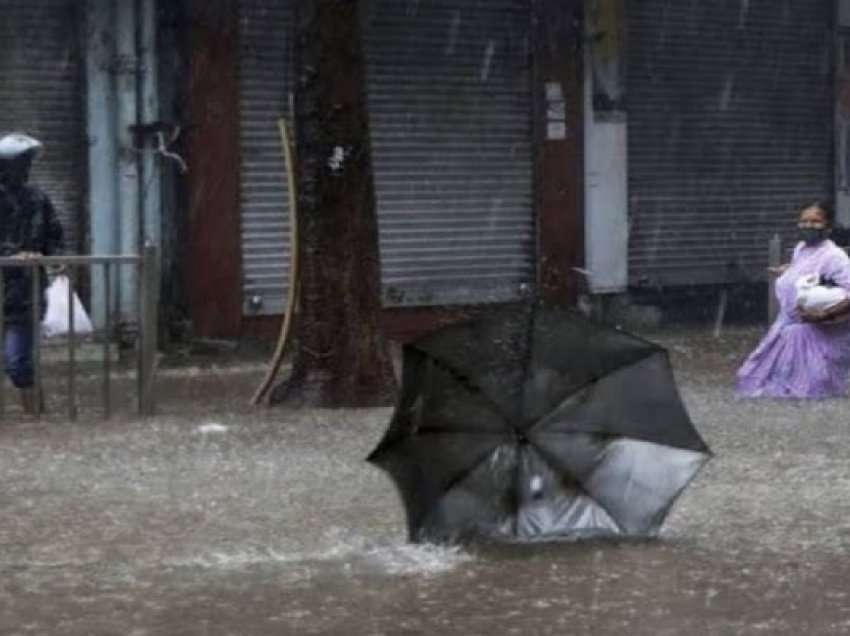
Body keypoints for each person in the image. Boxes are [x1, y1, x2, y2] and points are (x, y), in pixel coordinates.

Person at [736, 200, 850, 399]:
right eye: (804, 221)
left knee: (808, 390)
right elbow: (808, 270)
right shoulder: (801, 249)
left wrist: (823, 314)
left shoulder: (835, 257)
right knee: (754, 376)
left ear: (828, 227)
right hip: (786, 325)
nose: (808, 226)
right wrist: (788, 270)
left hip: (816, 332)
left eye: (815, 222)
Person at [0, 133, 64, 414]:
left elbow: (55, 238)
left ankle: (35, 414)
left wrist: (52, 259)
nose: (25, 169)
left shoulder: (38, 198)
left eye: (28, 163)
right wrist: (9, 256)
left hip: (25, 293)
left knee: (17, 361)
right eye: (19, 162)